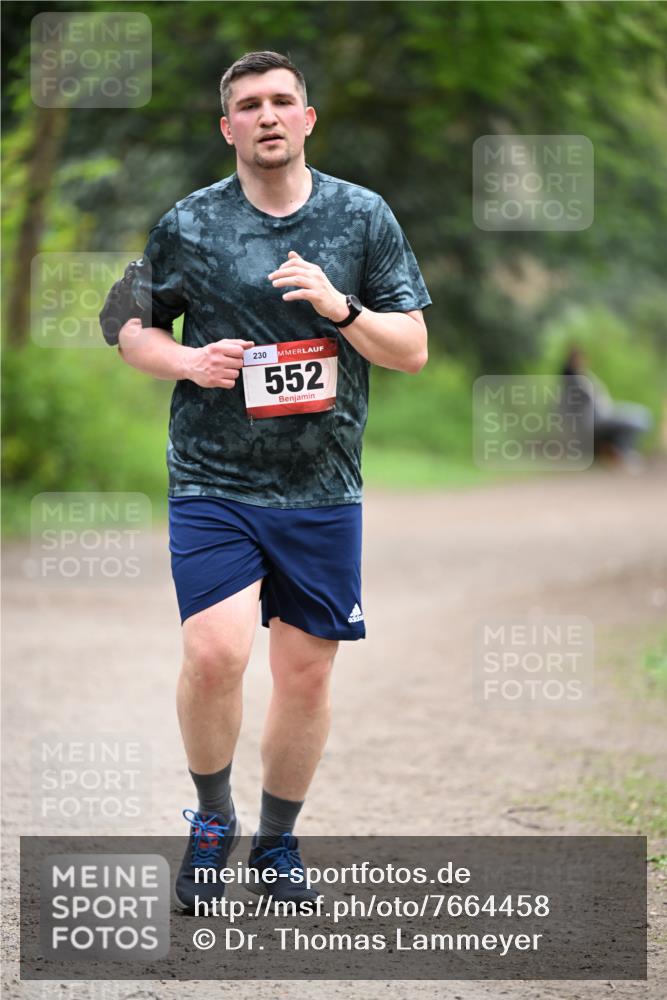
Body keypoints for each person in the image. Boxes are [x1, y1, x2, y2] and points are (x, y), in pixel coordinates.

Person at [105, 50, 431, 913]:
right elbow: (128, 331)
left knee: (306, 676)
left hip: (321, 486)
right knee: (215, 655)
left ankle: (278, 842)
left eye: (282, 100)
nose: (267, 115)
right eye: (248, 105)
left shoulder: (362, 219)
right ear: (228, 128)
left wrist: (341, 308)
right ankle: (213, 823)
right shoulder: (188, 224)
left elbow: (411, 350)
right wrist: (187, 359)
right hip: (213, 479)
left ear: (308, 118)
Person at [562, 347, 652, 465]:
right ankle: (624, 453)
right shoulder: (575, 381)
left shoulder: (584, 377)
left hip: (602, 414)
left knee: (641, 415)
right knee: (639, 418)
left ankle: (620, 451)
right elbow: (587, 404)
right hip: (597, 419)